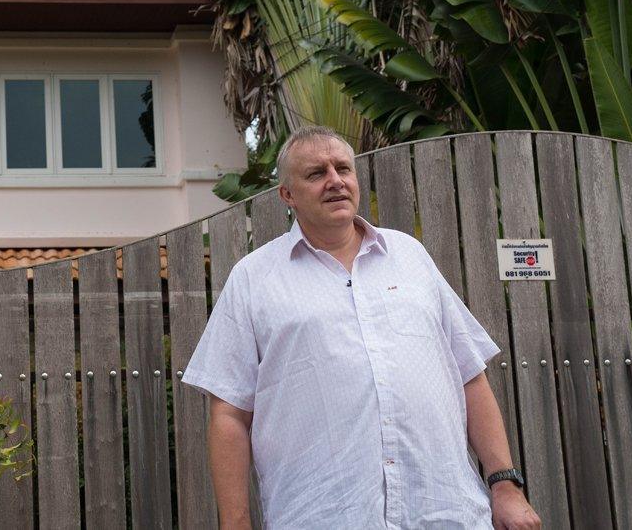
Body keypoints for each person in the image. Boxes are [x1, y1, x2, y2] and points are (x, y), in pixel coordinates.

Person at [182, 126, 541, 529]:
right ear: (287, 194)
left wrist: (504, 486)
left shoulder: (409, 255)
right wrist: (235, 523)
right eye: (316, 173)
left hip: (445, 511)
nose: (335, 181)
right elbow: (229, 413)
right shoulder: (254, 278)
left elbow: (469, 375)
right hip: (323, 516)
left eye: (343, 169)